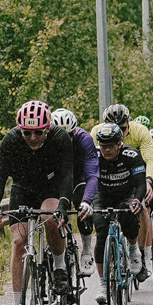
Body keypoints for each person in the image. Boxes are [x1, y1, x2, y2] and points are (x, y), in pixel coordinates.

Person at [0, 99, 78, 305]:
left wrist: (64, 204)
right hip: (23, 189)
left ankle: (59, 265)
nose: (32, 138)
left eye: (38, 133)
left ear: (47, 128)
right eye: (27, 133)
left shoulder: (60, 138)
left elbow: (67, 174)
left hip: (52, 188)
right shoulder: (11, 141)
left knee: (48, 216)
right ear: (19, 129)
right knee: (19, 242)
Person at [87, 121, 150, 300]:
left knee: (129, 213)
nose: (107, 150)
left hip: (126, 193)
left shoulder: (132, 155)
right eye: (103, 146)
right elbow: (88, 180)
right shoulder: (94, 156)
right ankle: (103, 283)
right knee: (101, 233)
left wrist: (137, 200)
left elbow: (139, 184)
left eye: (111, 146)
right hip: (103, 194)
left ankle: (133, 249)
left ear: (119, 144)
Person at [55, 106, 100, 271]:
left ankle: (87, 249)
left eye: (68, 136)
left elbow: (93, 174)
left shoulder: (84, 139)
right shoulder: (46, 142)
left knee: (82, 203)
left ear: (74, 132)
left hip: (79, 176)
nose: (64, 140)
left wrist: (87, 201)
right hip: (58, 179)